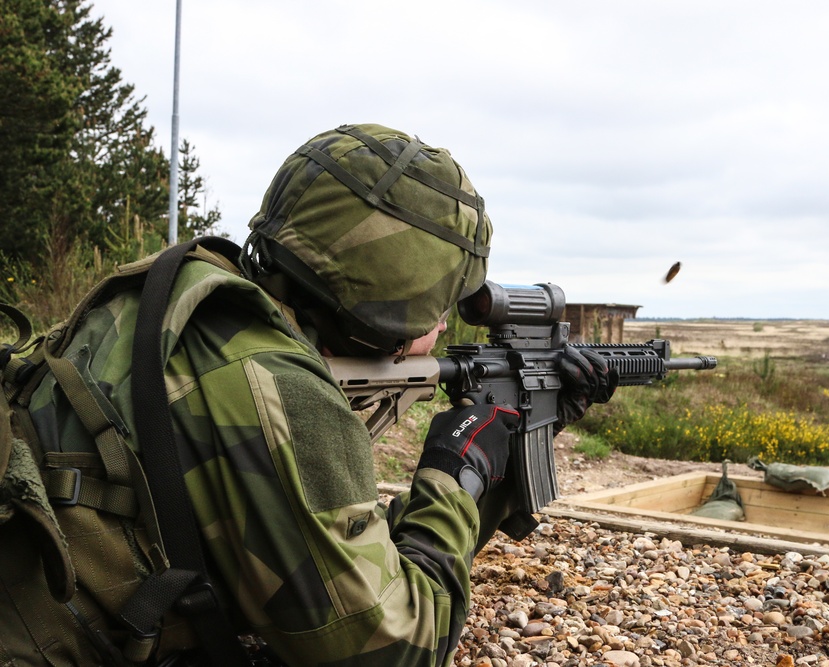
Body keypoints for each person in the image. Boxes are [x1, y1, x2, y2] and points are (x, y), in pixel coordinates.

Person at [0, 124, 617, 666]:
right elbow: (393, 646)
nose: (444, 329)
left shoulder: (182, 295)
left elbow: (332, 553)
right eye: (439, 306)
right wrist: (456, 474)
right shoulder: (275, 387)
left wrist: (510, 448)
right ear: (392, 303)